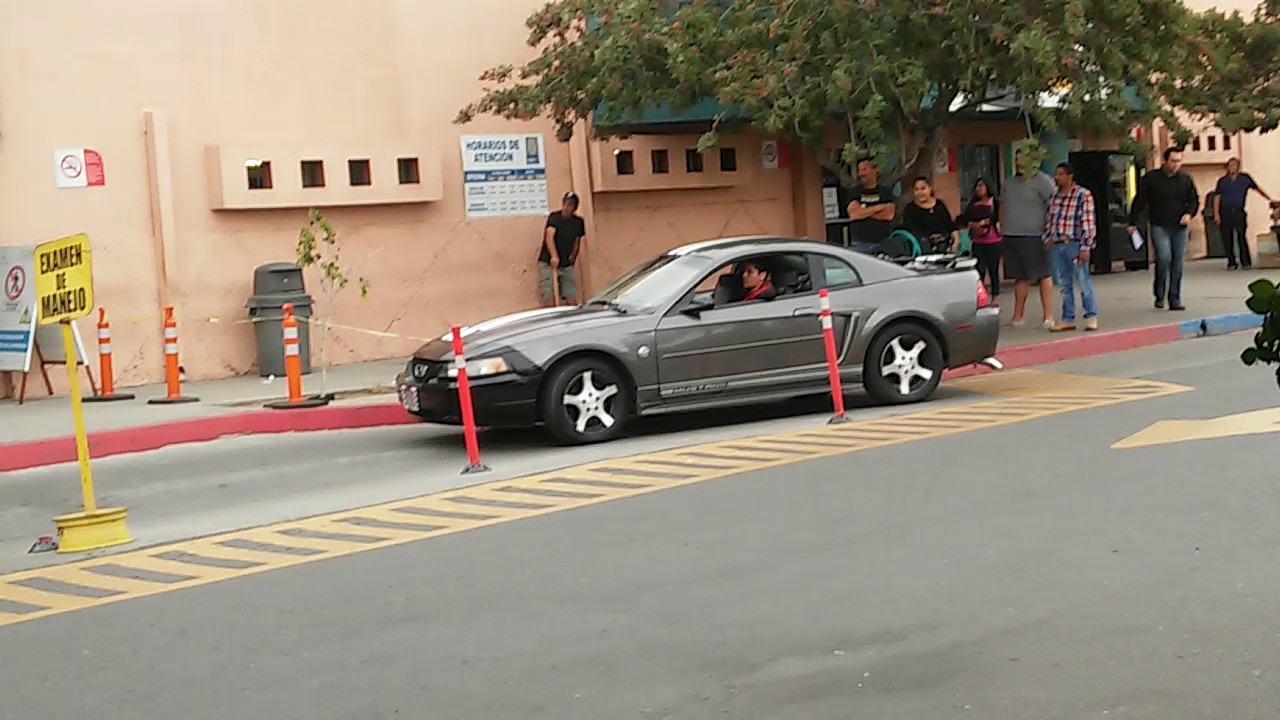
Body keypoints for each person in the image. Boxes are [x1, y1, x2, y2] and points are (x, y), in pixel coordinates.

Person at [1129, 147, 1199, 311]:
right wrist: (1132, 222)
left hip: (1180, 227)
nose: (1176, 165)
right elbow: (1140, 201)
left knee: (1178, 262)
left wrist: (1189, 214)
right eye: (1173, 161)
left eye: (1179, 161)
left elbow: (1194, 200)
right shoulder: (1152, 179)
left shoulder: (1185, 179)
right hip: (1159, 225)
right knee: (1164, 257)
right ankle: (1159, 293)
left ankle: (1174, 298)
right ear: (1165, 161)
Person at [1000, 147, 1058, 329]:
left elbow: (1055, 205)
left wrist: (1051, 230)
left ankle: (1048, 316)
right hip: (1011, 234)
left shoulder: (1043, 182)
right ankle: (1018, 317)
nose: (1018, 163)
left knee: (1043, 274)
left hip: (1035, 235)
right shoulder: (1009, 183)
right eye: (1017, 159)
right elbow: (1002, 206)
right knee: (1020, 277)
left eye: (1022, 159)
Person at [1045, 162, 1100, 332]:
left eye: (1061, 174)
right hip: (1058, 244)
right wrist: (1047, 237)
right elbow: (1050, 219)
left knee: (1083, 281)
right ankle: (1068, 318)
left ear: (1070, 176)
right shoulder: (1054, 197)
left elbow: (1088, 222)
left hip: (1075, 244)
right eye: (1057, 174)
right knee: (1064, 284)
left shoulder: (1083, 195)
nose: (1057, 178)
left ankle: (1091, 315)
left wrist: (1086, 246)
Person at [1214, 158, 1276, 270]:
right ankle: (1231, 262)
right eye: (1230, 165)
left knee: (1241, 236)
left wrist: (1269, 198)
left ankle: (1245, 262)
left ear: (1238, 167)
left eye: (1234, 165)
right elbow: (1217, 198)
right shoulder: (1222, 181)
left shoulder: (1244, 178)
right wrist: (1216, 214)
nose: (1232, 167)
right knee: (1227, 238)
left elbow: (1257, 189)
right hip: (1225, 212)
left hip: (1238, 212)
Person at [537, 191, 586, 307]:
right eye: (566, 203)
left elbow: (577, 241)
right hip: (548, 261)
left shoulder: (578, 222)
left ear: (575, 207)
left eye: (570, 205)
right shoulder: (554, 217)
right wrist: (554, 256)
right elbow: (549, 236)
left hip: (566, 263)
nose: (566, 207)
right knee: (549, 293)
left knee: (571, 295)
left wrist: (573, 259)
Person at [846, 158, 897, 251]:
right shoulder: (854, 192)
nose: (861, 174)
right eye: (859, 170)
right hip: (860, 243)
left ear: (875, 170)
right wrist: (879, 207)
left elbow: (889, 214)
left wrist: (864, 211)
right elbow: (854, 214)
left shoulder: (885, 191)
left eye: (864, 169)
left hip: (883, 242)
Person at [965, 178, 1002, 300]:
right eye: (977, 186)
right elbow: (965, 218)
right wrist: (973, 224)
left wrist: (985, 222)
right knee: (979, 270)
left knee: (993, 270)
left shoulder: (994, 202)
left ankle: (995, 297)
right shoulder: (972, 204)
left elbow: (997, 217)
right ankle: (981, 297)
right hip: (977, 241)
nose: (979, 189)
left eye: (981, 186)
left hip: (993, 241)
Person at [900, 176, 959, 253]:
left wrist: (956, 240)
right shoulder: (910, 209)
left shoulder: (939, 205)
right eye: (916, 189)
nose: (920, 192)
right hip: (922, 249)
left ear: (930, 188)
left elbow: (950, 225)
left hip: (944, 247)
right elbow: (911, 230)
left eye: (923, 188)